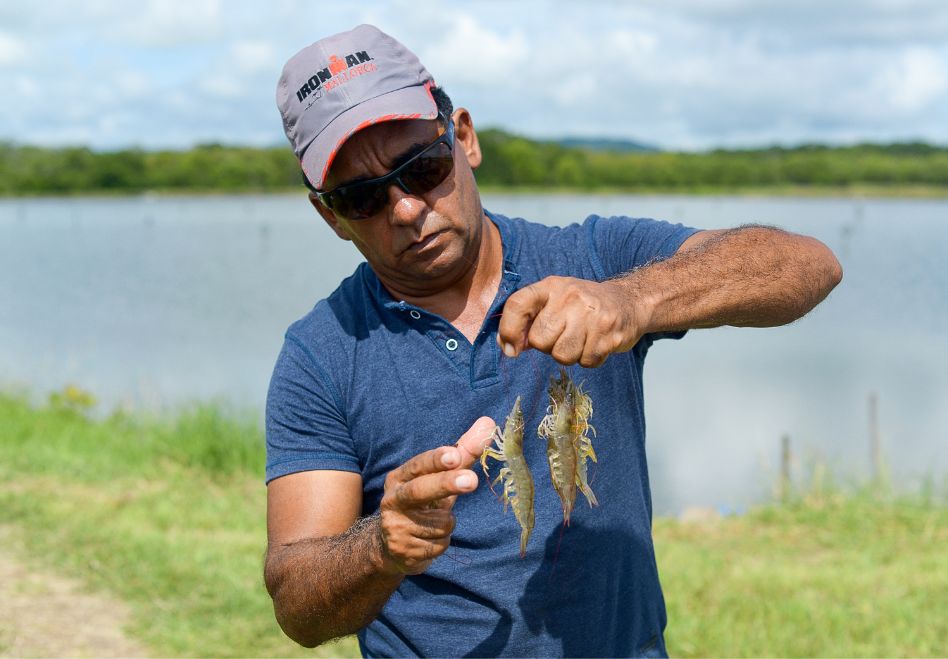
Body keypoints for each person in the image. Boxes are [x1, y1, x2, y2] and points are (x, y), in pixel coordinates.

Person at [263, 24, 842, 658]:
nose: (405, 209)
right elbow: (296, 600)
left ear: (463, 138)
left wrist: (632, 300)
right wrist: (381, 544)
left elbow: (806, 266)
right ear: (330, 217)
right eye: (363, 197)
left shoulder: (592, 257)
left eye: (422, 167)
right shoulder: (320, 354)